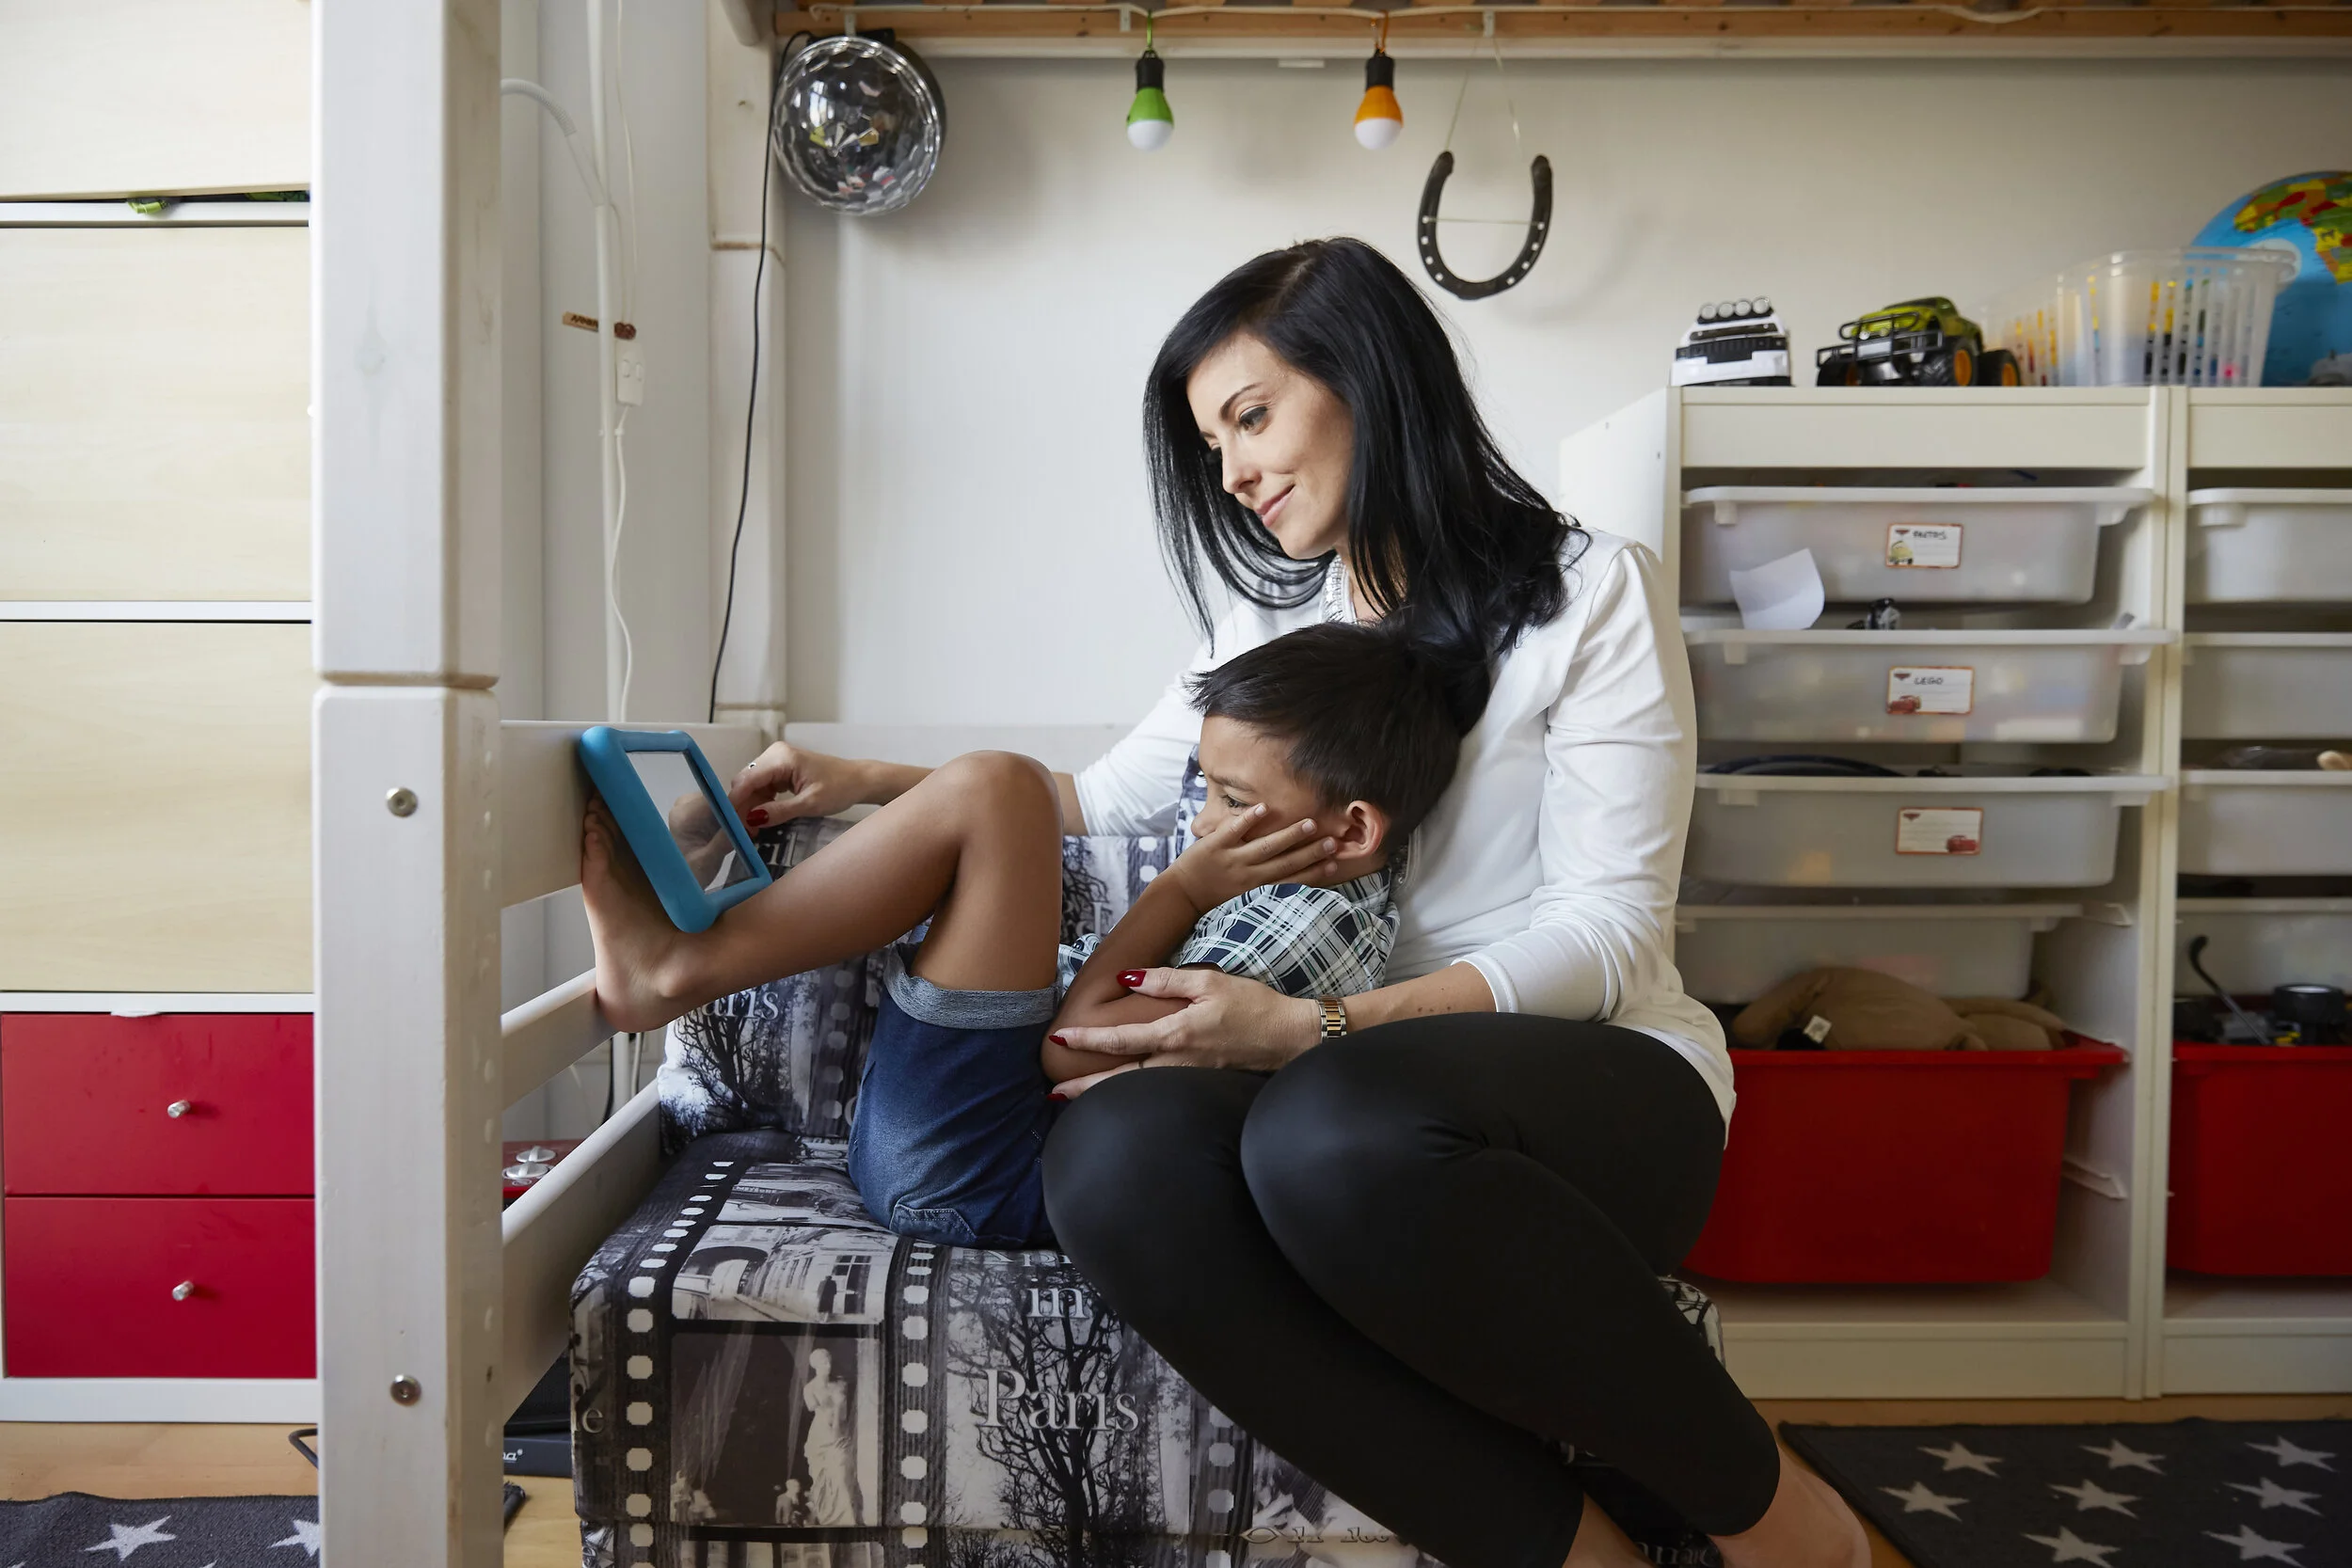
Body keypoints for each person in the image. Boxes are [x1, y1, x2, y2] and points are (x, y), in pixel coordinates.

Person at [707, 238, 1868, 1568]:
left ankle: (1785, 1519)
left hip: (1594, 1086)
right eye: (1212, 444)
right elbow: (1101, 796)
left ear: (1370, 382)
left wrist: (1316, 1024)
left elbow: (1608, 934)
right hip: (1342, 1095)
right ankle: (1570, 1553)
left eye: (1251, 416)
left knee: (1331, 1122)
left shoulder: (1589, 590)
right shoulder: (1267, 638)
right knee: (1113, 1157)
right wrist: (861, 780)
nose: (1235, 470)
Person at [583, 623, 1461, 1250]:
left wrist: (1178, 890)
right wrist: (865, 780)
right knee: (1004, 792)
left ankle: (677, 967)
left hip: (981, 1165)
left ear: (1350, 832)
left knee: (1002, 789)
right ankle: (690, 945)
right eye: (1208, 795)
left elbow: (1077, 1052)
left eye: (1232, 802)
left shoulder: (1312, 921)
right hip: (967, 1140)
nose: (1203, 828)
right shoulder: (1310, 885)